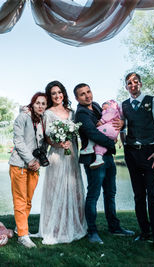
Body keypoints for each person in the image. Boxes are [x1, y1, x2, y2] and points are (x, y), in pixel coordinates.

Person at [74, 83, 134, 244]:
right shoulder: (81, 114)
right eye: (82, 94)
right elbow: (92, 132)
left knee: (110, 193)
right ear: (77, 98)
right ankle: (92, 232)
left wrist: (122, 123)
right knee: (93, 195)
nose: (87, 96)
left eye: (88, 91)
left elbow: (112, 118)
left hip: (107, 157)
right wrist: (112, 143)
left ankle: (114, 227)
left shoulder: (96, 106)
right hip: (93, 158)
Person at [37, 80, 87, 245]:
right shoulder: (48, 113)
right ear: (50, 96)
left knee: (73, 189)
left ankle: (73, 224)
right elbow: (47, 138)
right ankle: (55, 228)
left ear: (63, 93)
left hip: (71, 155)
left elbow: (77, 135)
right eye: (53, 93)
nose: (57, 96)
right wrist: (59, 144)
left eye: (59, 92)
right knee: (56, 190)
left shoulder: (72, 113)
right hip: (57, 156)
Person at [120, 72, 154, 252]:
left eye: (135, 82)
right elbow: (122, 128)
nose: (133, 85)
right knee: (138, 196)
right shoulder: (124, 105)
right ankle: (145, 231)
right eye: (129, 83)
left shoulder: (151, 101)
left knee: (152, 196)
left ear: (140, 84)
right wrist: (125, 146)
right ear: (126, 87)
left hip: (149, 153)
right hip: (131, 154)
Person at [8, 92, 47, 248]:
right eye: (38, 103)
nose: (40, 106)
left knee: (28, 200)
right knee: (20, 200)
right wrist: (29, 160)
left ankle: (19, 227)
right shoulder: (22, 118)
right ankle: (23, 235)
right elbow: (18, 141)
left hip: (34, 166)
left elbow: (43, 144)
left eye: (43, 103)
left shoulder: (43, 120)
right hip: (19, 164)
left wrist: (38, 161)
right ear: (32, 103)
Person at [80, 100, 122, 169]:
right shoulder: (107, 111)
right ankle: (99, 159)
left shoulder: (112, 109)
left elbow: (109, 115)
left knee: (95, 132)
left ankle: (89, 147)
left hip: (110, 128)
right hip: (111, 131)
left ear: (109, 104)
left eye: (103, 105)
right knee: (100, 145)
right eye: (102, 106)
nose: (102, 107)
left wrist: (101, 121)